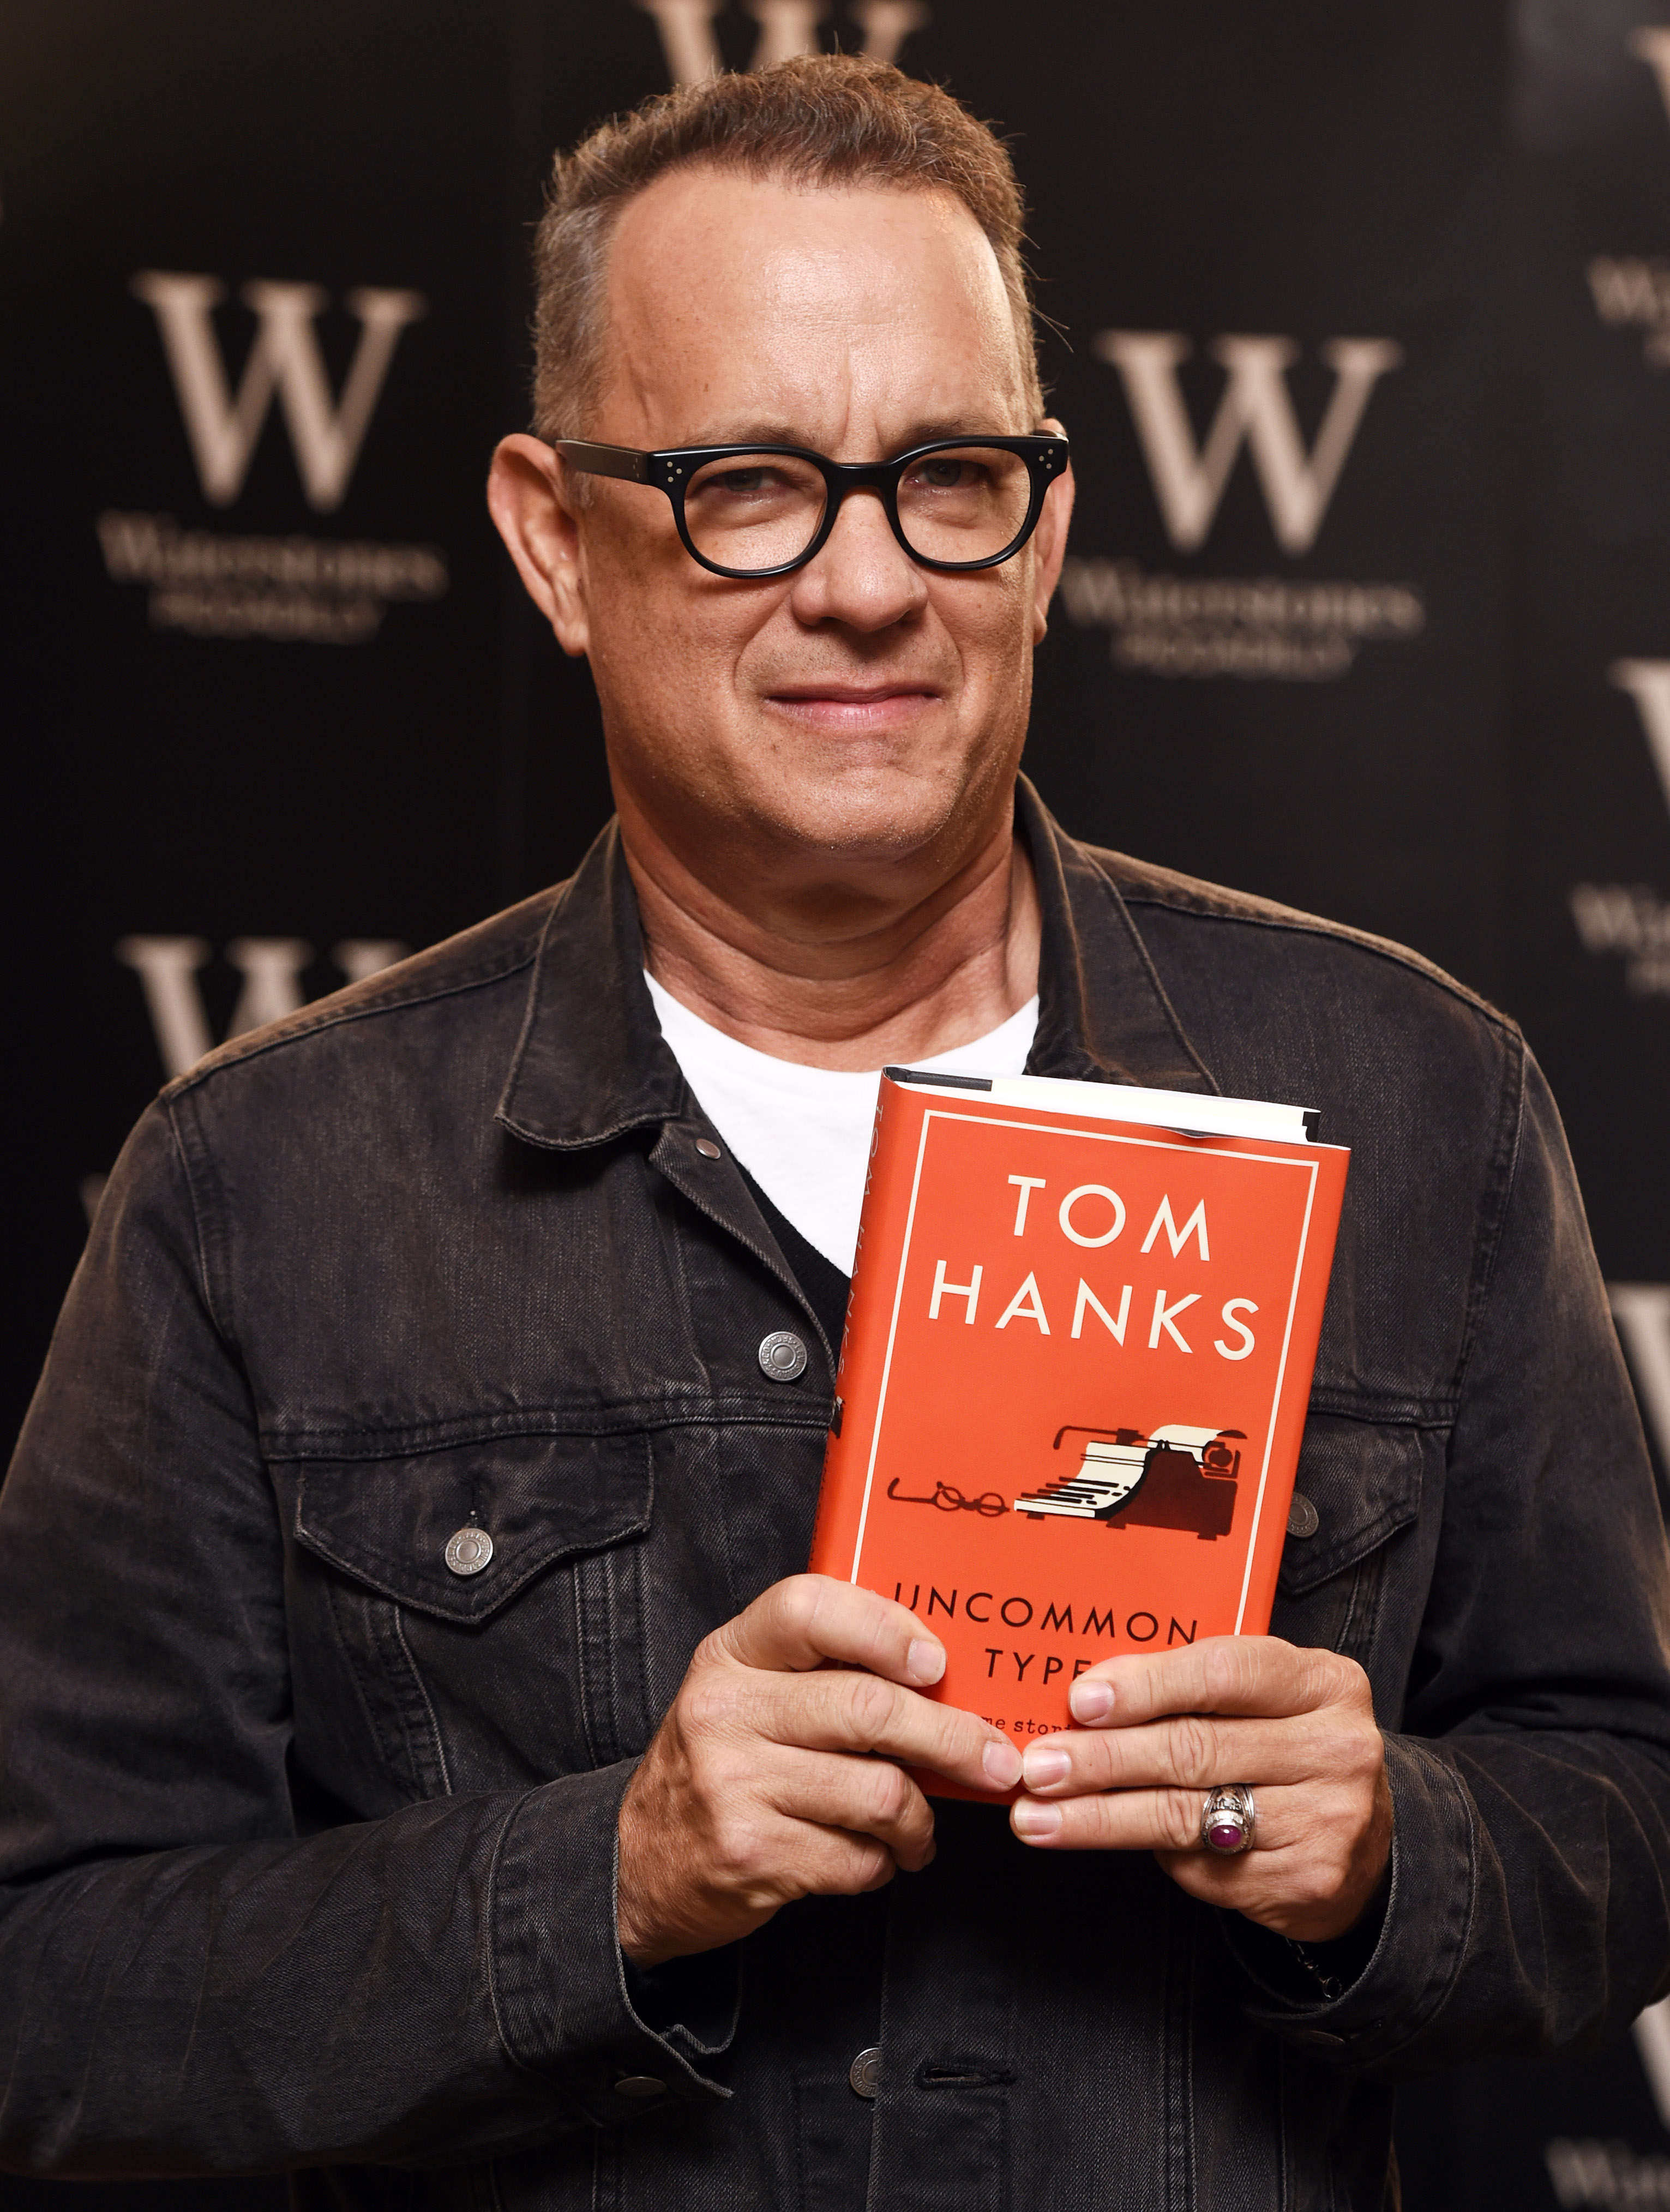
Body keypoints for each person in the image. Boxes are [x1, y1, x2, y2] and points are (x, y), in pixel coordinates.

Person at [2, 53, 1668, 2212]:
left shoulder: (1420, 1102)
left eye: (946, 476)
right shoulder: (259, 1190)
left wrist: (1385, 1850)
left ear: (1047, 526)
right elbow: (51, 1996)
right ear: (552, 538)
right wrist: (612, 1875)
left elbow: (1622, 1809)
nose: (867, 585)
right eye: (747, 481)